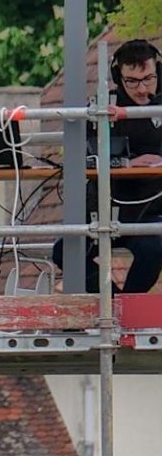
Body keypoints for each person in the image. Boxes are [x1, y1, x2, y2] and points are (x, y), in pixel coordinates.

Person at [53, 39, 162, 293]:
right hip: (108, 207)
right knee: (64, 251)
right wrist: (126, 163)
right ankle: (113, 304)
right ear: (118, 77)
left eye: (148, 79)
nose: (141, 89)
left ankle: (126, 309)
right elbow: (83, 153)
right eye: (131, 81)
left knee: (154, 247)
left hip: (154, 209)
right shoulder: (103, 104)